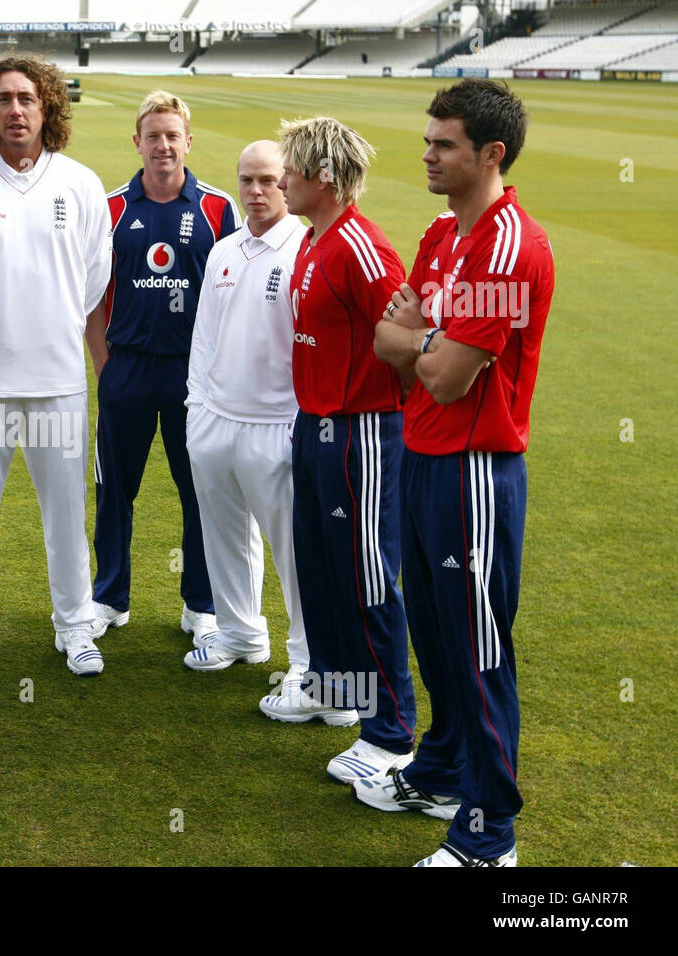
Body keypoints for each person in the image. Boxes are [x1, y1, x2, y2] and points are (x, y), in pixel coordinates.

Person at [363, 79, 552, 867]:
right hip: (423, 454)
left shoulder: (510, 244)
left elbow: (442, 373)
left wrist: (421, 340)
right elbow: (390, 341)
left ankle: (488, 835)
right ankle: (441, 769)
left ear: (490, 154)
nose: (428, 155)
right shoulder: (445, 238)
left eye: (444, 144)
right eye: (429, 139)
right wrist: (421, 339)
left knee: (477, 650)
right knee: (437, 637)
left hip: (475, 471)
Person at [0, 54, 112, 678]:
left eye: (27, 99)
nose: (15, 110)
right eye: (4, 99)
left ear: (47, 107)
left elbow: (92, 281)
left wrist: (46, 325)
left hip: (59, 380)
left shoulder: (81, 185)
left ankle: (75, 626)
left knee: (66, 511)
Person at [279, 116, 418, 783]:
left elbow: (409, 340)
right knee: (321, 566)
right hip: (315, 426)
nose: (279, 180)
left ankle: (391, 733)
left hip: (360, 431)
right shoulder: (313, 240)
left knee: (365, 573)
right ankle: (337, 689)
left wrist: (397, 426)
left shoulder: (360, 247)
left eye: (290, 170)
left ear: (323, 178)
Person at [83, 90, 244, 652]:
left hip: (191, 376)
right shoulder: (111, 207)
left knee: (200, 490)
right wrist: (105, 368)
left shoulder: (219, 209)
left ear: (188, 141)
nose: (163, 145)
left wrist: (215, 372)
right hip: (125, 369)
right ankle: (108, 597)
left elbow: (234, 294)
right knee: (113, 489)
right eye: (153, 135)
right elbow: (93, 297)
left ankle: (200, 604)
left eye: (173, 135)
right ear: (137, 142)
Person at [184, 141, 323, 696]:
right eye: (247, 180)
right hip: (217, 420)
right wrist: (198, 412)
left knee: (296, 552)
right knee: (224, 537)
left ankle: (308, 658)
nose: (257, 191)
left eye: (268, 180)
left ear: (286, 183)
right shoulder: (223, 251)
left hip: (278, 424)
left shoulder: (304, 251)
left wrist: (298, 423)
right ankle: (240, 634)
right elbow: (204, 340)